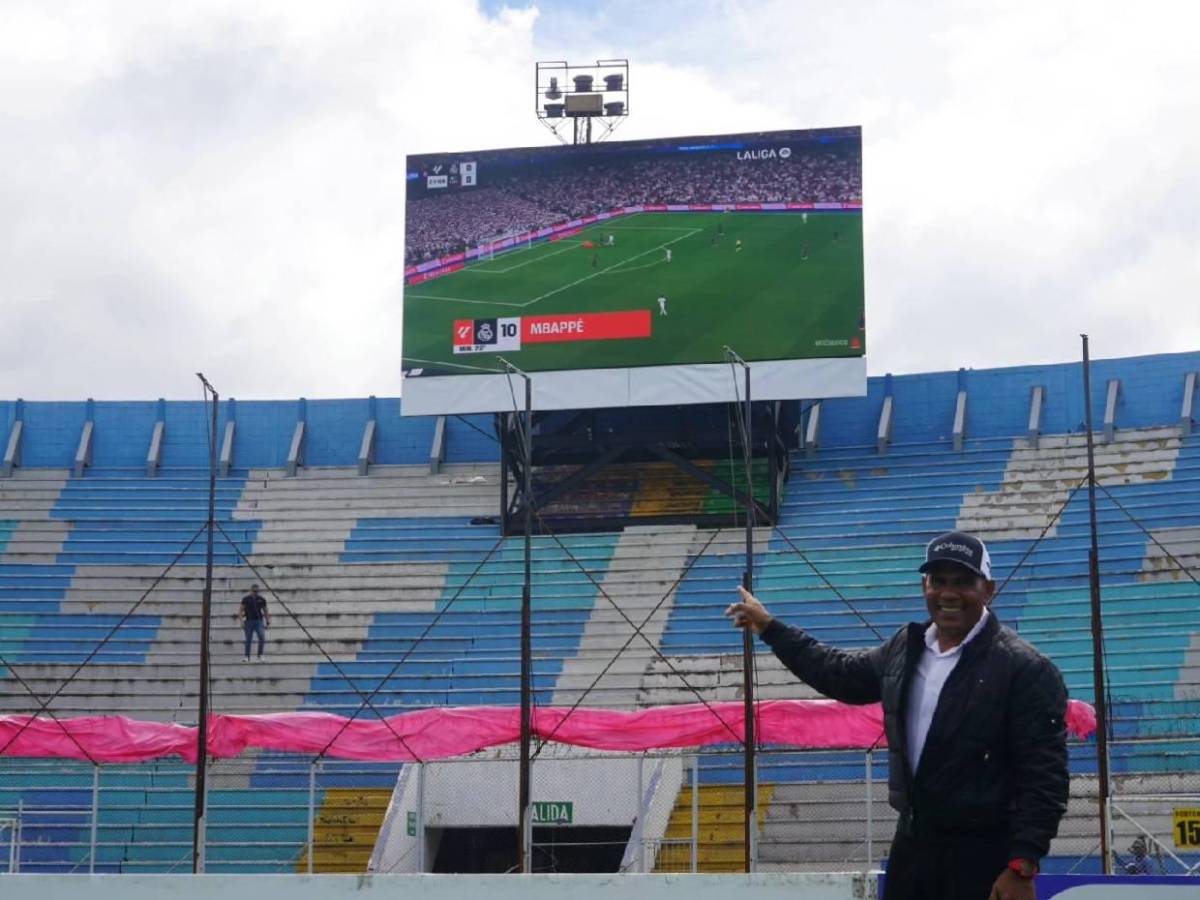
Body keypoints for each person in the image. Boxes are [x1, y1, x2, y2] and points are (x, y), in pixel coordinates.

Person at [725, 531, 1069, 900]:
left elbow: (1045, 776)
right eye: (938, 581)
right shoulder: (906, 647)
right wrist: (771, 628)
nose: (948, 593)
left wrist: (1022, 864)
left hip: (984, 856)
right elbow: (839, 674)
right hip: (913, 847)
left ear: (988, 589)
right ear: (924, 587)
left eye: (963, 582)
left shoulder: (1025, 669)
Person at [239, 585, 270, 662]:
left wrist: (267, 620)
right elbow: (240, 611)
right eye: (254, 591)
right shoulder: (246, 599)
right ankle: (247, 656)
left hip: (258, 621)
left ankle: (260, 655)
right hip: (249, 621)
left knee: (262, 637)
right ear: (251, 591)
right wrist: (241, 621)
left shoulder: (261, 599)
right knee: (248, 639)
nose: (255, 593)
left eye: (256, 591)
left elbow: (265, 610)